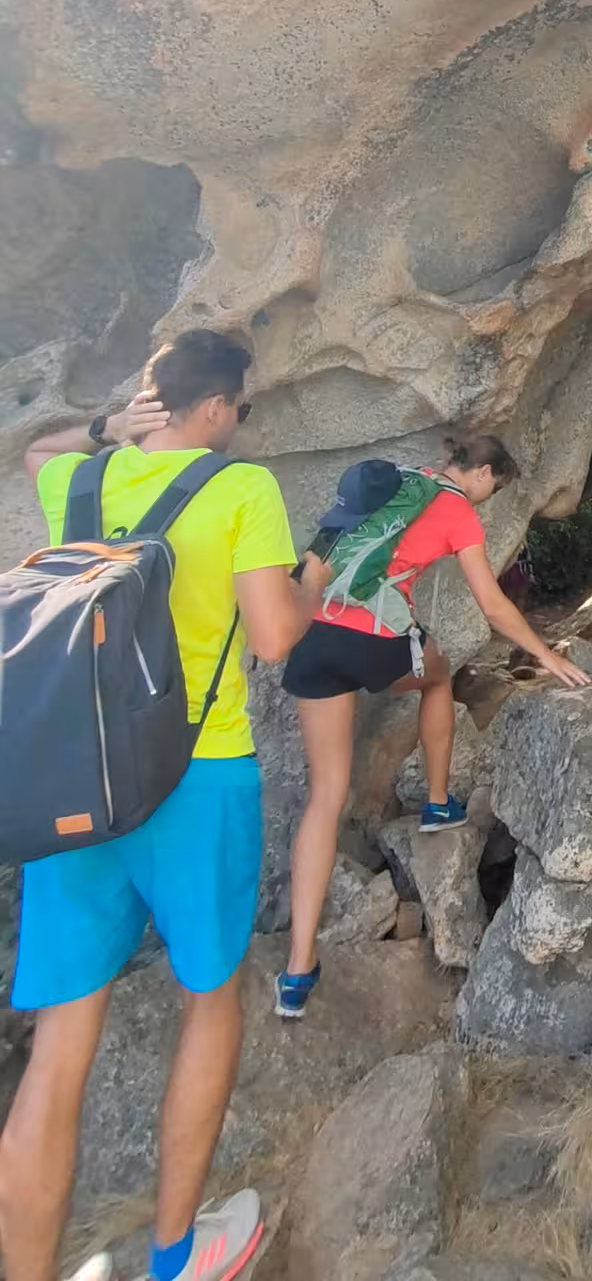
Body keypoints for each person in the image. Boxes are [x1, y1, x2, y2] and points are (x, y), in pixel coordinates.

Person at [0, 329, 330, 1281]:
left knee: (59, 1045)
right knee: (210, 1001)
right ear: (218, 406)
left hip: (76, 782)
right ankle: (177, 1254)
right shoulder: (242, 488)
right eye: (242, 408)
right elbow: (273, 639)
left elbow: (39, 450)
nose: (241, 423)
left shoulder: (81, 483)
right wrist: (312, 578)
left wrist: (109, 426)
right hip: (198, 773)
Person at [275, 434, 589, 1018]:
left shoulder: (396, 480)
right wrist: (546, 655)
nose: (488, 499)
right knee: (439, 674)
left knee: (325, 796)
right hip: (374, 640)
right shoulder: (455, 509)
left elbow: (328, 550)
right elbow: (492, 604)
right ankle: (439, 803)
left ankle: (296, 969)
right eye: (494, 488)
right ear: (483, 473)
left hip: (315, 635)